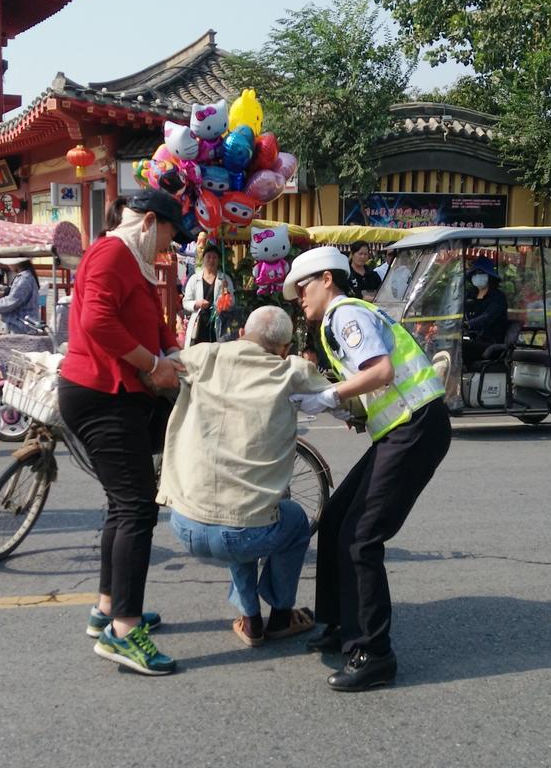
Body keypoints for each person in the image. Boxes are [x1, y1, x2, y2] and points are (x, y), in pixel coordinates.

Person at [283, 246, 452, 692]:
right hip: (402, 427)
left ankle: (374, 654)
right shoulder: (338, 324)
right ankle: (337, 623)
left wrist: (329, 397)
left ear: (325, 280)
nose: (299, 297)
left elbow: (379, 371)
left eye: (302, 288)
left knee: (361, 537)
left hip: (415, 427)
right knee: (336, 517)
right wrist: (351, 411)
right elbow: (375, 387)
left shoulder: (344, 314)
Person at [58, 189, 195, 677]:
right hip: (101, 395)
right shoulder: (112, 251)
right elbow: (97, 322)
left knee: (124, 505)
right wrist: (153, 364)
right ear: (150, 221)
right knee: (137, 506)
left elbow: (153, 325)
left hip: (116, 395)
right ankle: (124, 631)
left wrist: (173, 352)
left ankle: (106, 611)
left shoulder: (131, 261)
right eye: (168, 234)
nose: (168, 246)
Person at [158, 306, 336, 648]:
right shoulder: (292, 371)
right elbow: (342, 397)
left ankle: (251, 620)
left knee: (237, 511)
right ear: (285, 348)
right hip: (240, 535)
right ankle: (281, 616)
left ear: (241, 335)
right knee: (291, 519)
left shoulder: (204, 356)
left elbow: (160, 367)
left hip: (185, 526)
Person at [182, 243, 234, 345]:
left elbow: (232, 302)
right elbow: (186, 302)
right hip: (199, 325)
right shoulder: (194, 279)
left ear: (219, 261)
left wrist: (225, 299)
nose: (211, 260)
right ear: (203, 259)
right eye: (208, 257)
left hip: (218, 324)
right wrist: (197, 304)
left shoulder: (225, 279)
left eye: (214, 257)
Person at [463, 256, 508, 366]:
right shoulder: (470, 295)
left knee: (461, 347)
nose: (477, 276)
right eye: (475, 273)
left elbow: (487, 317)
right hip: (473, 339)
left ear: (489, 276)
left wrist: (468, 324)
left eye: (481, 272)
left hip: (491, 344)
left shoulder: (498, 297)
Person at [0, 257, 40, 334]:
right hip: (22, 326)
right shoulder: (25, 276)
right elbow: (14, 292)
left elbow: (10, 302)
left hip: (21, 327)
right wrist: (2, 292)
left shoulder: (24, 279)